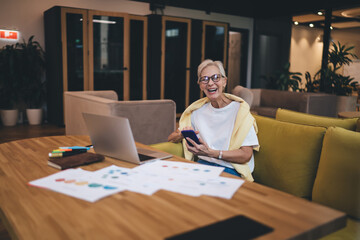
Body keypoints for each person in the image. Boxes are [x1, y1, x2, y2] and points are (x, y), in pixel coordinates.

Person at [168, 59, 259, 181]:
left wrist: (212, 153)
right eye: (204, 79)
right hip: (202, 165)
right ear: (200, 85)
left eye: (215, 77)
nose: (210, 83)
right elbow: (171, 138)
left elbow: (245, 155)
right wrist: (182, 133)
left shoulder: (240, 111)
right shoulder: (196, 111)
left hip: (230, 169)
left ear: (224, 81)